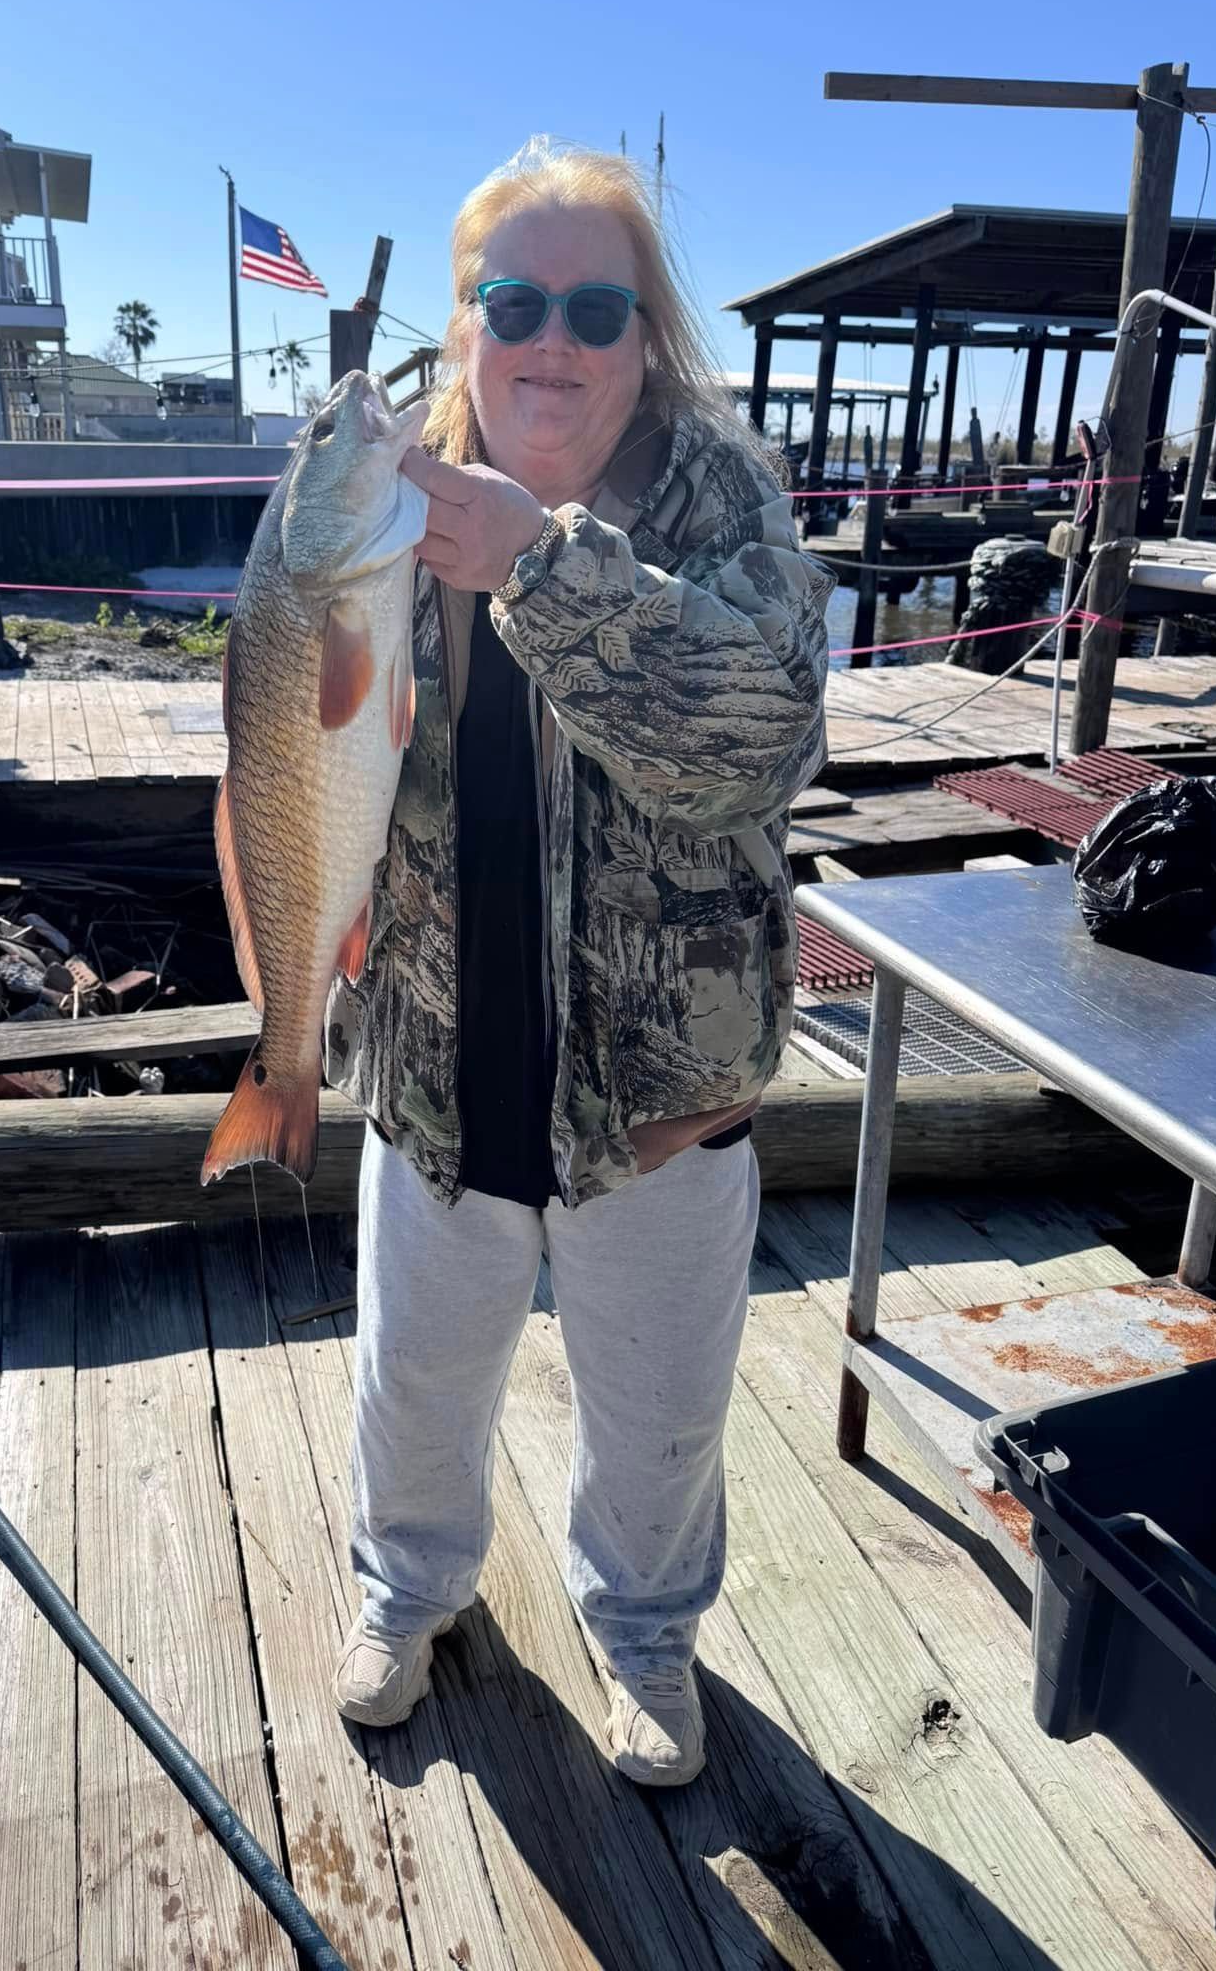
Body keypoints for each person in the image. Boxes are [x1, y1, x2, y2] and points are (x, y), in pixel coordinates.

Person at [324, 137, 831, 1786]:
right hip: (435, 1063)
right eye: (515, 300)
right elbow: (287, 731)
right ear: (467, 326)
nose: (554, 338)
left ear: (646, 335)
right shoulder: (372, 496)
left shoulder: (721, 494)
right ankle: (405, 1592)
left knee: (663, 1417)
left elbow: (754, 741)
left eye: (596, 308)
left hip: (663, 1094)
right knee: (417, 1380)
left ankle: (646, 1638)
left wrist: (536, 563)